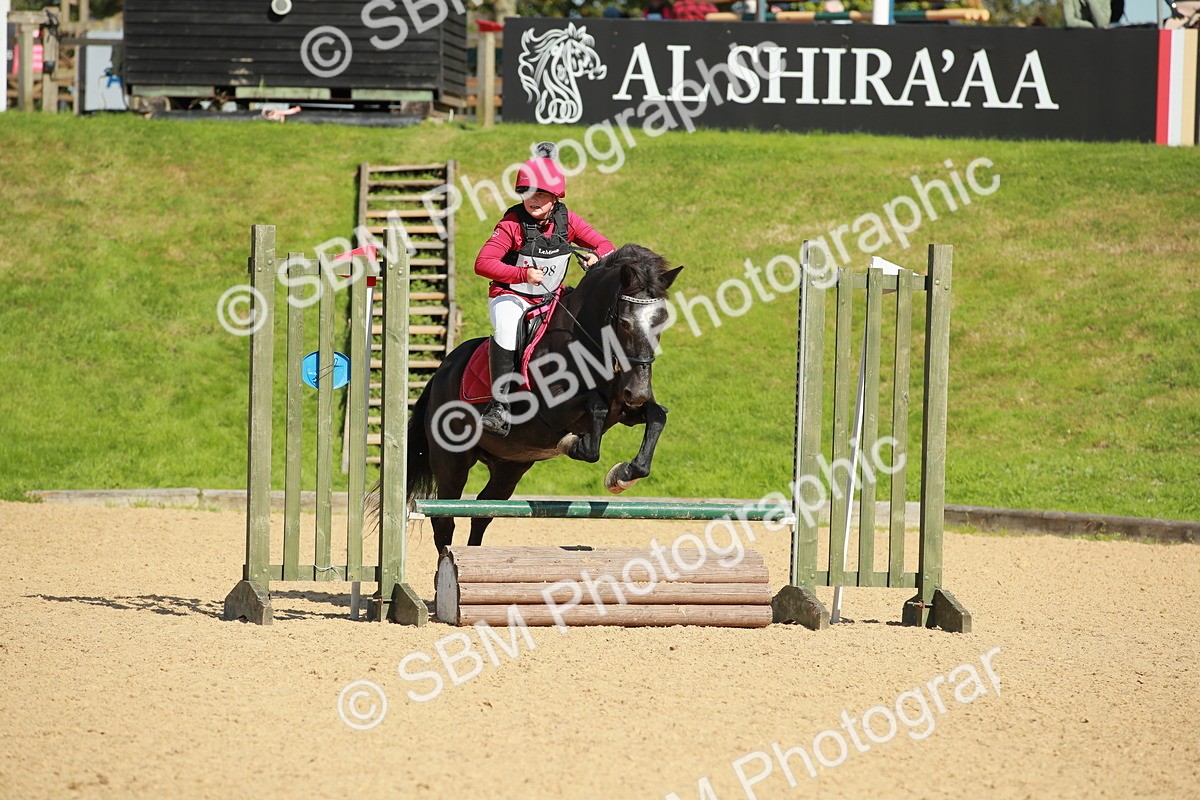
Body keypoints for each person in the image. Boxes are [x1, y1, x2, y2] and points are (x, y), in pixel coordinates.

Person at [473, 142, 616, 436]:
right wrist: (522, 274)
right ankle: (500, 406)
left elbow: (606, 245)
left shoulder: (567, 220)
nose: (533, 199)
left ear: (555, 197)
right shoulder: (512, 224)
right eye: (527, 192)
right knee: (506, 326)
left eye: (540, 193)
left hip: (550, 299)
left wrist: (596, 256)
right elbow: (483, 263)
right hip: (512, 296)